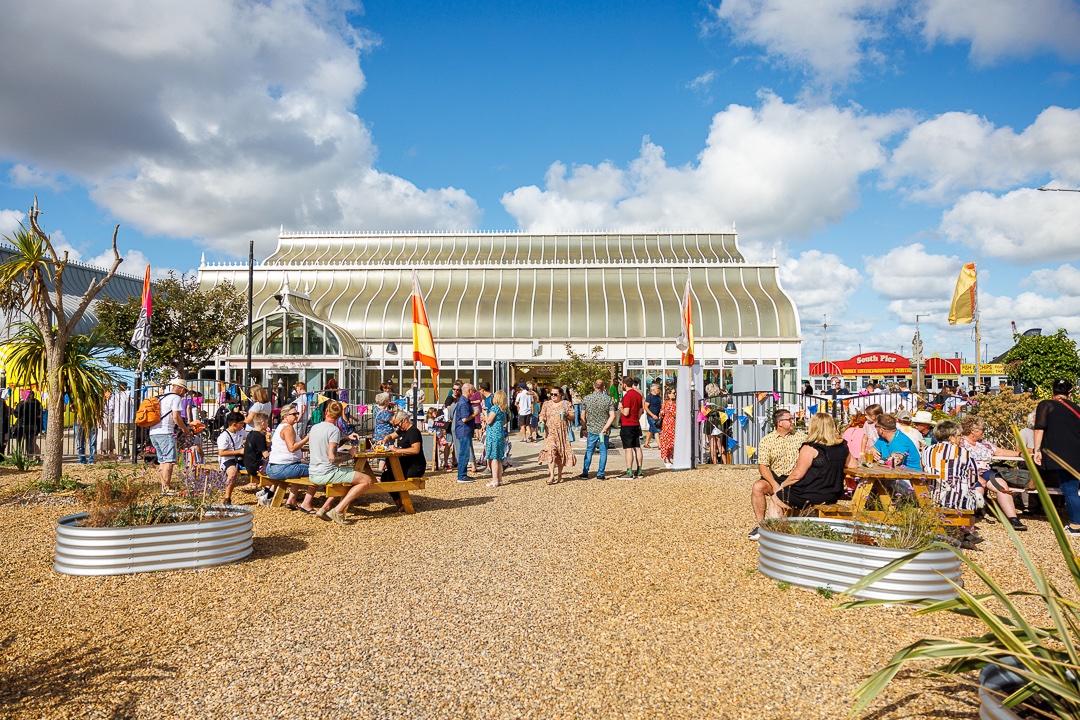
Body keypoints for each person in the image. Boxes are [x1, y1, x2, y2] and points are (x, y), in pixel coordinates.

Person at [770, 414, 856, 516]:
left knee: (776, 498)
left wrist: (782, 486)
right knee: (787, 497)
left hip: (811, 493)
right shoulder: (842, 447)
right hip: (833, 493)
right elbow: (853, 465)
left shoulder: (810, 448)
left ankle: (773, 530)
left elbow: (797, 475)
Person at [308, 401, 372, 525]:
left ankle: (325, 508)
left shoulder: (315, 427)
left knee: (350, 476)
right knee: (366, 480)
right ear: (339, 415)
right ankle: (338, 510)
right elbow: (332, 458)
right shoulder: (334, 430)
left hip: (313, 472)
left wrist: (347, 438)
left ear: (326, 412)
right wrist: (350, 455)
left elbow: (326, 444)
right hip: (326, 473)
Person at [748, 408, 806, 540]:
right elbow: (762, 466)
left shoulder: (801, 437)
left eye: (793, 419)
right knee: (758, 487)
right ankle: (761, 525)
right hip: (774, 477)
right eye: (790, 419)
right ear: (780, 423)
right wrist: (774, 485)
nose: (793, 421)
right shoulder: (767, 440)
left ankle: (788, 525)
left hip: (794, 478)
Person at [960, 415, 1026, 531]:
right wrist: (977, 477)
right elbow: (960, 463)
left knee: (1002, 486)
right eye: (982, 429)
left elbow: (1000, 451)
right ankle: (969, 521)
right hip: (968, 472)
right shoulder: (960, 443)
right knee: (978, 490)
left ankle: (1013, 519)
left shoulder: (983, 444)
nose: (983, 432)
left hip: (985, 470)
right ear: (972, 431)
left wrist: (1019, 454)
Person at [1033, 379, 1080, 535]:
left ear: (1053, 392)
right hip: (1077, 453)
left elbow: (1039, 428)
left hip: (1059, 455)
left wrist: (1037, 450)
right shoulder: (1077, 409)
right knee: (1073, 489)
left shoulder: (1046, 405)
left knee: (1069, 489)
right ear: (1070, 394)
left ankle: (1075, 526)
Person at [922, 419, 981, 513]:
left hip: (932, 497)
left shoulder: (927, 450)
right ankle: (968, 527)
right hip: (958, 500)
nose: (961, 438)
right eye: (959, 435)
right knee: (975, 494)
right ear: (951, 438)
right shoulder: (964, 453)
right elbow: (973, 478)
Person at [266, 403, 312, 511]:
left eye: (297, 413)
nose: (297, 416)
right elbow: (291, 448)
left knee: (299, 468)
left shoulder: (280, 427)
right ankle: (307, 503)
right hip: (283, 468)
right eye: (294, 414)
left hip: (274, 467)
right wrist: (307, 439)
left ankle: (291, 500)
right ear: (285, 416)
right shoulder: (288, 428)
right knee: (317, 469)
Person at [149, 379, 192, 493]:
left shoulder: (162, 397)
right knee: (169, 461)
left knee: (163, 461)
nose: (184, 394)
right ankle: (166, 488)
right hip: (166, 432)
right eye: (185, 392)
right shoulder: (176, 398)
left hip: (153, 432)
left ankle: (164, 487)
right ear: (182, 389)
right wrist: (185, 429)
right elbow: (176, 417)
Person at [579, 378, 616, 480]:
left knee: (589, 450)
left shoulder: (587, 398)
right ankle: (600, 473)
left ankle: (585, 472)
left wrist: (584, 428)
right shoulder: (608, 399)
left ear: (594, 387)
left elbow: (583, 415)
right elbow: (612, 416)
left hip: (591, 428)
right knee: (603, 451)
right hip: (604, 430)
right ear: (604, 387)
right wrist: (605, 428)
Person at [538, 386, 576, 484]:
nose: (553, 396)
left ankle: (559, 475)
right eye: (551, 394)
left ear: (561, 394)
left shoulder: (566, 404)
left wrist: (566, 414)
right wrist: (541, 421)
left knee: (560, 453)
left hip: (562, 433)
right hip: (550, 433)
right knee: (551, 451)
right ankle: (551, 475)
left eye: (555, 394)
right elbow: (542, 415)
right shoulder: (546, 404)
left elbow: (573, 417)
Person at [216, 411, 247, 506]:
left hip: (239, 457)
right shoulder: (224, 436)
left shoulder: (241, 432)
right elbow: (222, 453)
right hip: (227, 459)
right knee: (233, 473)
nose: (243, 425)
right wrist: (239, 451)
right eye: (241, 423)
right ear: (234, 424)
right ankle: (227, 498)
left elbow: (250, 437)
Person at [618, 375, 644, 479]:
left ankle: (629, 472)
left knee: (628, 449)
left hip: (627, 424)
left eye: (621, 384)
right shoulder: (638, 394)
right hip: (636, 424)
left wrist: (621, 408)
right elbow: (641, 410)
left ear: (624, 384)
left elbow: (626, 412)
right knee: (637, 447)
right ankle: (639, 470)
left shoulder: (627, 396)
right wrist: (636, 418)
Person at [244, 412, 271, 505]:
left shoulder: (251, 434)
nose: (268, 424)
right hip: (256, 466)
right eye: (267, 422)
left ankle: (265, 491)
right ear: (263, 423)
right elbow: (266, 455)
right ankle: (268, 495)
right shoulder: (260, 436)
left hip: (249, 465)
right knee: (278, 470)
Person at [454, 382, 479, 483]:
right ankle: (461, 475)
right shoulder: (463, 403)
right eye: (472, 390)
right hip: (464, 430)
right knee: (464, 453)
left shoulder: (465, 401)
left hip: (465, 430)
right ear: (468, 391)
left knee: (464, 453)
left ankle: (463, 474)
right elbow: (464, 419)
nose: (473, 393)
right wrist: (474, 415)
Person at [484, 391, 509, 487]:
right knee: (498, 457)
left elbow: (489, 421)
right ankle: (499, 479)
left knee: (494, 457)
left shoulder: (495, 408)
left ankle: (494, 480)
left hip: (493, 434)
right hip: (499, 433)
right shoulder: (503, 409)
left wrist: (485, 413)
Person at [106, 382, 133, 456]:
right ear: (126, 387)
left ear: (118, 388)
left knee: (118, 439)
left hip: (117, 420)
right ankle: (132, 455)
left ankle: (119, 455)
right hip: (128, 420)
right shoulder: (130, 396)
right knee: (130, 439)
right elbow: (135, 404)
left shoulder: (115, 397)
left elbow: (109, 408)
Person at [13, 390, 43, 456]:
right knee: (30, 442)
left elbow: (16, 414)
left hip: (22, 424)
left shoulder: (22, 403)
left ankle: (19, 455)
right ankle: (30, 456)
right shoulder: (37, 403)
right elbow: (39, 414)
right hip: (33, 424)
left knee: (19, 441)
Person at [657, 388, 676, 468]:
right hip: (670, 424)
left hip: (666, 424)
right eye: (673, 393)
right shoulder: (671, 403)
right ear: (668, 394)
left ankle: (667, 458)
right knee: (670, 441)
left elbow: (661, 414)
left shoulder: (664, 403)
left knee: (667, 441)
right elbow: (675, 413)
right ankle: (667, 459)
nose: (674, 394)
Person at [643, 384, 662, 449]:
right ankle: (660, 445)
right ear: (653, 389)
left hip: (657, 416)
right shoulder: (649, 397)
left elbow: (660, 406)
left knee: (651, 430)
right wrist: (652, 415)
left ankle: (646, 443)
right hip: (651, 416)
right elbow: (646, 407)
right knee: (656, 430)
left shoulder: (658, 397)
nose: (658, 390)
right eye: (657, 388)